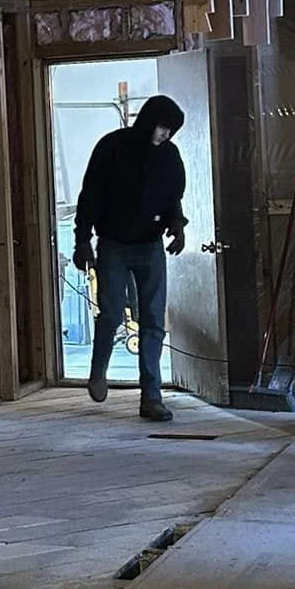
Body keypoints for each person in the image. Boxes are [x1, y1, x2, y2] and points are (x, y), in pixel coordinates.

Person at [72, 94, 188, 422]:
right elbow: (90, 195)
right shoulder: (112, 147)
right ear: (149, 121)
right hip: (114, 243)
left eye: (171, 130)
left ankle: (151, 396)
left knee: (152, 320)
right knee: (110, 311)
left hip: (150, 245)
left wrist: (177, 226)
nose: (166, 134)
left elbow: (171, 197)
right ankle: (98, 371)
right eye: (163, 127)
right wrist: (83, 241)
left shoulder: (169, 156)